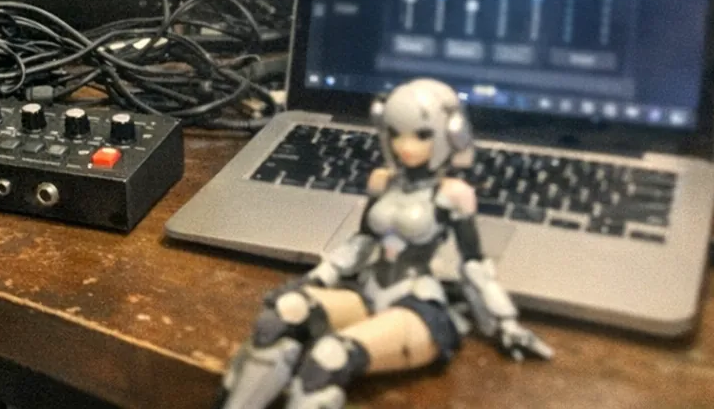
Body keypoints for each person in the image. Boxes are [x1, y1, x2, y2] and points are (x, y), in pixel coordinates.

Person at [219, 79, 550, 409]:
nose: (405, 145)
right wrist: (317, 279)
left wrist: (505, 322)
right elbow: (361, 242)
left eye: (421, 134)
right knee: (278, 317)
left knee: (328, 358)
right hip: (368, 293)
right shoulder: (382, 182)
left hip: (416, 308)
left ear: (452, 133)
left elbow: (473, 264)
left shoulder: (452, 195)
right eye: (395, 133)